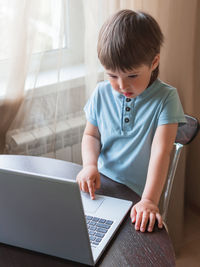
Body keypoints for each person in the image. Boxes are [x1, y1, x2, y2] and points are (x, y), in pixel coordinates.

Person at [76, 9, 186, 232]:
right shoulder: (101, 93)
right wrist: (89, 165)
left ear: (154, 62)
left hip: (139, 195)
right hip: (102, 185)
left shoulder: (166, 98)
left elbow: (161, 152)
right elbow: (91, 135)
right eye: (112, 75)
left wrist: (149, 200)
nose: (122, 86)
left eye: (132, 76)